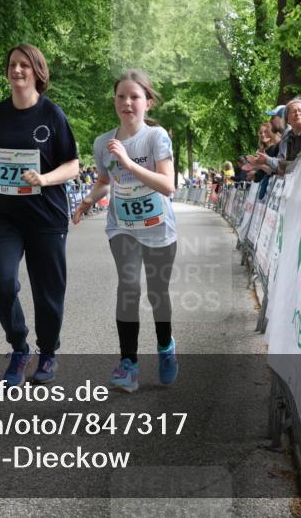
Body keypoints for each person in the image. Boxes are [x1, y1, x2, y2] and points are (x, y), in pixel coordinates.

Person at [0, 43, 80, 386]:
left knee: (48, 291)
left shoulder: (52, 115)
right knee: (0, 283)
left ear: (37, 71)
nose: (17, 70)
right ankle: (20, 346)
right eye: (12, 65)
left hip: (46, 216)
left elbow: (73, 165)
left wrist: (45, 178)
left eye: (24, 65)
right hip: (4, 215)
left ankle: (48, 352)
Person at [72, 70, 178, 393]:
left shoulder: (156, 138)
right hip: (122, 226)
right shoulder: (103, 143)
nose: (127, 102)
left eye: (134, 97)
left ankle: (165, 346)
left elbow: (168, 185)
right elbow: (105, 181)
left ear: (147, 102)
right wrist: (89, 200)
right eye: (121, 97)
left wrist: (130, 164)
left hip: (158, 226)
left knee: (157, 293)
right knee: (129, 287)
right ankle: (128, 363)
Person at [248, 97, 301, 175]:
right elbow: (288, 168)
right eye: (293, 111)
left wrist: (277, 163)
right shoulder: (290, 138)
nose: (297, 113)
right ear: (287, 119)